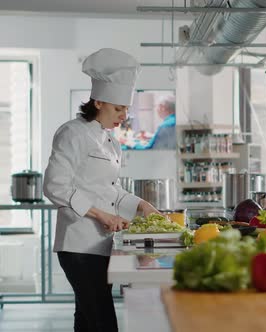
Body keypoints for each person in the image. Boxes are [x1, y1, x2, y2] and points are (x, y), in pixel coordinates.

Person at [43, 48, 161, 332]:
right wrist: (101, 216)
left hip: (99, 245)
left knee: (87, 319)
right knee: (103, 323)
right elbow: (54, 185)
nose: (123, 116)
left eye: (125, 110)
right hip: (78, 245)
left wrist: (142, 205)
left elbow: (110, 189)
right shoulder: (72, 133)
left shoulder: (110, 142)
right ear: (98, 102)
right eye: (118, 109)